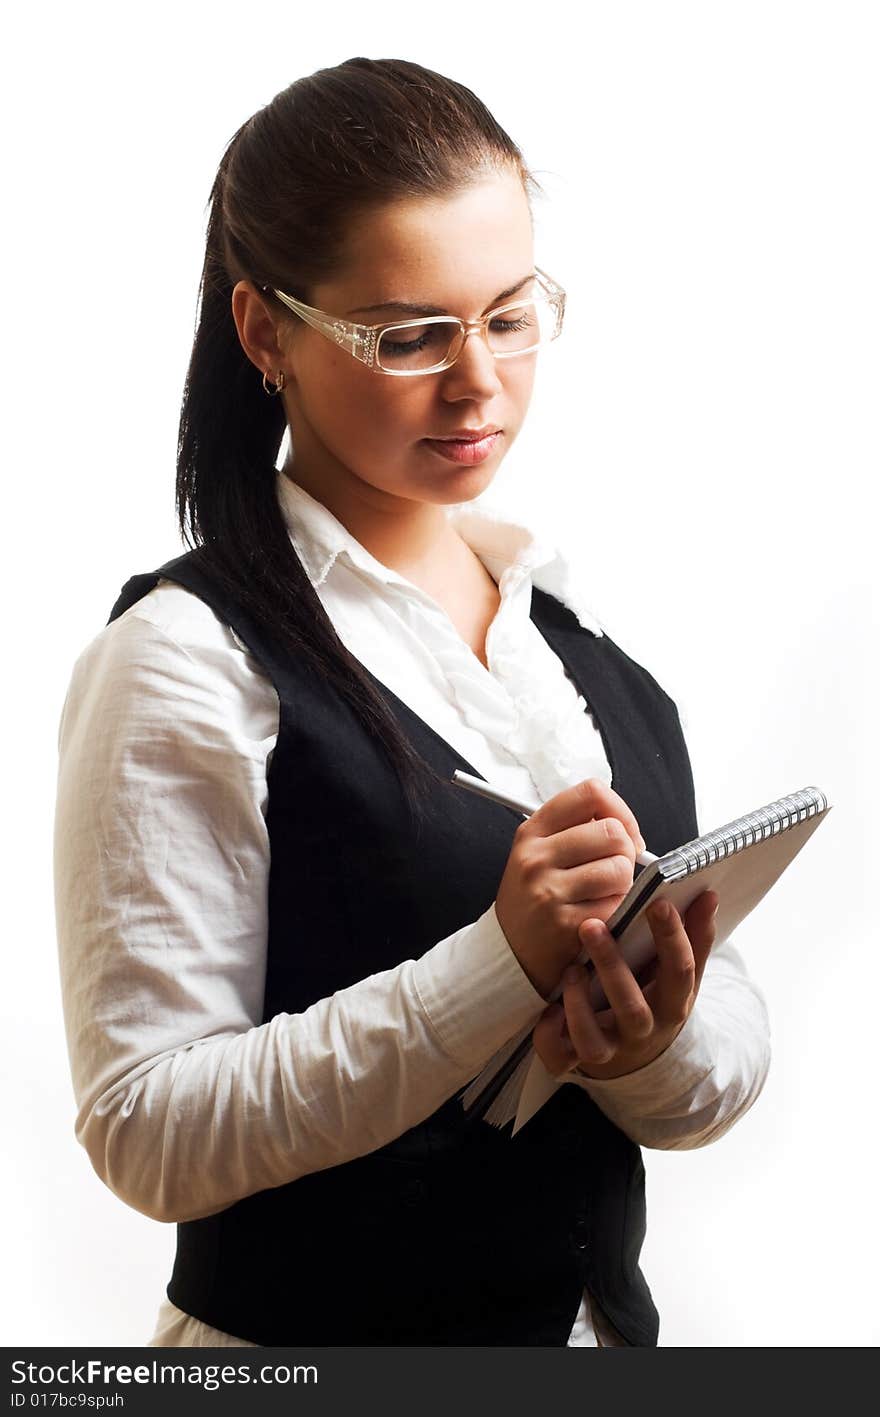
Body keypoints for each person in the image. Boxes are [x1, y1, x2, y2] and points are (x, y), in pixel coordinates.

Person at [53, 57, 771, 1348]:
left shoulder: (580, 653)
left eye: (508, 315)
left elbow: (723, 1062)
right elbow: (143, 1125)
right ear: (266, 330)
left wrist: (645, 1041)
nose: (479, 383)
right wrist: (495, 968)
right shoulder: (182, 657)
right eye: (412, 334)